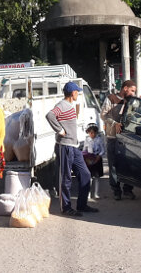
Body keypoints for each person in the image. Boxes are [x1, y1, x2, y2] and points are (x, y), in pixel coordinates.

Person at [47, 82, 97, 216]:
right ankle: (66, 207)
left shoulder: (70, 105)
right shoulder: (62, 105)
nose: (78, 94)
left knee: (85, 174)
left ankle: (82, 205)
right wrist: (60, 130)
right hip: (64, 146)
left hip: (74, 147)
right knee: (65, 178)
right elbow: (50, 115)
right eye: (77, 92)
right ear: (72, 93)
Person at [101, 80, 137, 200]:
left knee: (129, 165)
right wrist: (114, 123)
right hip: (113, 138)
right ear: (125, 88)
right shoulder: (111, 99)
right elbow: (103, 115)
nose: (133, 93)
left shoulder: (132, 101)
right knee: (113, 165)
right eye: (132, 90)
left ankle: (128, 189)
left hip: (127, 139)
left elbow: (136, 116)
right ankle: (116, 190)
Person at [82, 124, 106, 199]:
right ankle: (88, 194)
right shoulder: (87, 140)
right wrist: (85, 157)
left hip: (97, 159)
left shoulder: (99, 139)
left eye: (94, 133)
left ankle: (96, 194)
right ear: (88, 133)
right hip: (89, 160)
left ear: (96, 133)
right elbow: (84, 150)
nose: (92, 134)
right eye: (90, 133)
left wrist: (99, 156)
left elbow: (103, 150)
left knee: (97, 177)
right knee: (89, 178)